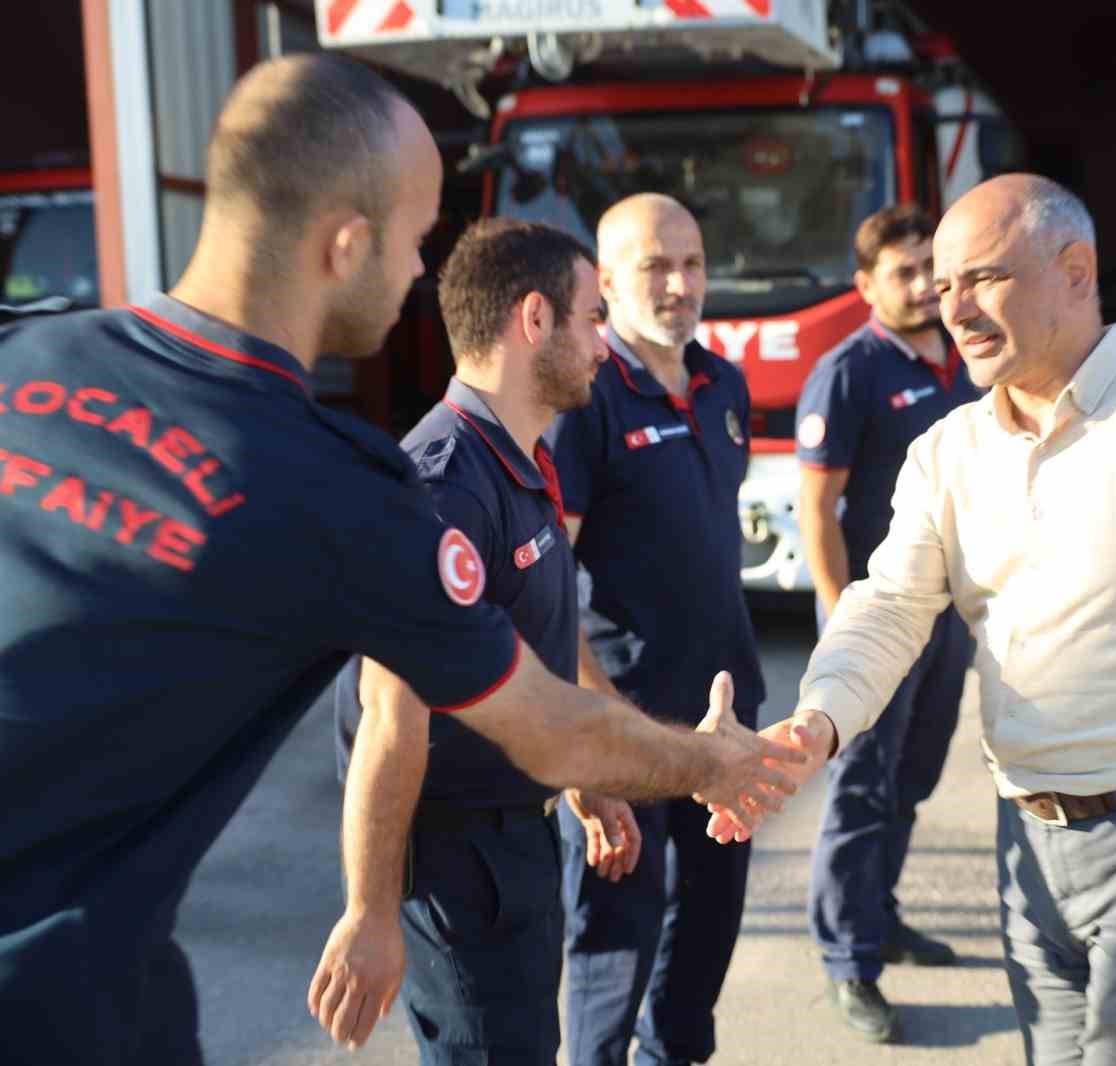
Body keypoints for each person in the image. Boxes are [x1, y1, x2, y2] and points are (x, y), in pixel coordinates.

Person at [0, 54, 798, 1066]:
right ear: (346, 245)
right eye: (418, 240)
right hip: (60, 1008)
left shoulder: (27, 349)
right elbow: (538, 729)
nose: (423, 275)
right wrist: (716, 762)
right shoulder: (350, 494)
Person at [708, 173, 1116, 1066]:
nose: (955, 309)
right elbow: (890, 604)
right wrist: (817, 721)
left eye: (982, 278)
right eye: (944, 286)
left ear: (1076, 270)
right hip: (1030, 847)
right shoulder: (949, 451)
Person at [310, 218, 647, 1064]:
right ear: (534, 319)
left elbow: (534, 638)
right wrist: (370, 912)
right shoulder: (444, 485)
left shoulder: (514, 460)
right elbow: (389, 717)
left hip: (517, 843)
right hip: (460, 867)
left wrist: (585, 771)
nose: (604, 345)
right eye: (593, 318)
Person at [547, 192, 767, 1066]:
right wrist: (584, 737)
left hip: (727, 717)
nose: (680, 285)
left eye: (693, 263)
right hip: (625, 723)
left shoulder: (724, 385)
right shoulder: (584, 396)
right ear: (605, 281)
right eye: (655, 267)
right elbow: (543, 582)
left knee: (708, 928)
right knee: (614, 942)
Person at [794, 203, 981, 1042]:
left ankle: (881, 915)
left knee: (913, 778)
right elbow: (817, 509)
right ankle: (849, 960)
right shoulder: (849, 371)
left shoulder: (967, 359)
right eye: (903, 273)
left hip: (950, 618)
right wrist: (842, 620)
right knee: (862, 788)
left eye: (929, 268)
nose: (922, 286)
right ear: (866, 286)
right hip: (881, 620)